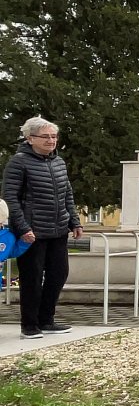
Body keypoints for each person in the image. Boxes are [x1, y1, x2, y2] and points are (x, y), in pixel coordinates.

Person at [2, 116, 83, 339]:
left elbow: (67, 194)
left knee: (59, 274)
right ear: (30, 139)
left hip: (58, 230)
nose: (51, 140)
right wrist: (22, 228)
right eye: (45, 136)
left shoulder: (58, 162)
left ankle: (47, 320)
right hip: (32, 232)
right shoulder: (18, 162)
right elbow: (10, 197)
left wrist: (74, 221)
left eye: (54, 136)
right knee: (32, 278)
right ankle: (29, 325)